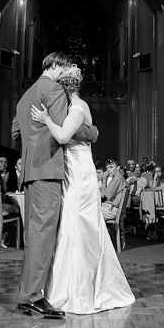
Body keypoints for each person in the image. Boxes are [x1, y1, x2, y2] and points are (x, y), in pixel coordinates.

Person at [31, 64, 135, 314]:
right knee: (69, 223)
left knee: (79, 224)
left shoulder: (78, 108)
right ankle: (63, 285)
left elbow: (64, 137)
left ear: (63, 88)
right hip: (71, 169)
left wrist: (45, 119)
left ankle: (81, 289)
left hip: (79, 172)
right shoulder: (70, 108)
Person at [11, 51, 74, 318]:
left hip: (30, 169)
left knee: (35, 234)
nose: (66, 73)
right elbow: (63, 131)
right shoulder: (54, 89)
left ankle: (29, 294)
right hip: (47, 169)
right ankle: (33, 296)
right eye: (65, 68)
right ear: (56, 65)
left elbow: (15, 132)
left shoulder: (26, 95)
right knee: (43, 234)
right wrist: (90, 130)